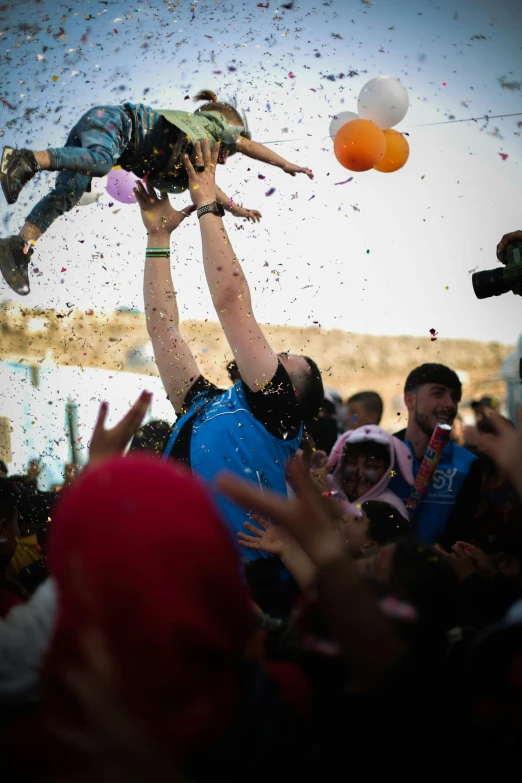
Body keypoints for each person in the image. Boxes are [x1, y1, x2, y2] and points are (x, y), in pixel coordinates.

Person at [135, 139, 324, 563]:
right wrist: (158, 237)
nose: (279, 354)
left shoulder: (277, 411)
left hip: (245, 582)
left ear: (295, 397)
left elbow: (232, 303)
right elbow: (162, 330)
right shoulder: (206, 404)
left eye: (290, 360)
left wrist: (207, 203)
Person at [0, 90, 313, 296]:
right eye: (230, 149)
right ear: (225, 131)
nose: (228, 157)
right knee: (100, 163)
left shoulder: (191, 153)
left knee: (68, 194)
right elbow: (246, 144)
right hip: (116, 124)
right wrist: (286, 164)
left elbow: (208, 187)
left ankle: (19, 246)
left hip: (104, 132)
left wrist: (234, 208)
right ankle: (25, 159)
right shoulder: (212, 128)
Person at [389, 363, 482, 548]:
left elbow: (458, 537)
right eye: (438, 394)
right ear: (410, 400)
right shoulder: (383, 452)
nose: (449, 404)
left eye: (455, 397)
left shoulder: (467, 465)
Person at [318, 424, 414, 519]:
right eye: (352, 462)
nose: (359, 472)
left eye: (370, 466)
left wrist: (334, 500)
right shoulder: (326, 482)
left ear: (387, 470)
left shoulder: (392, 507)